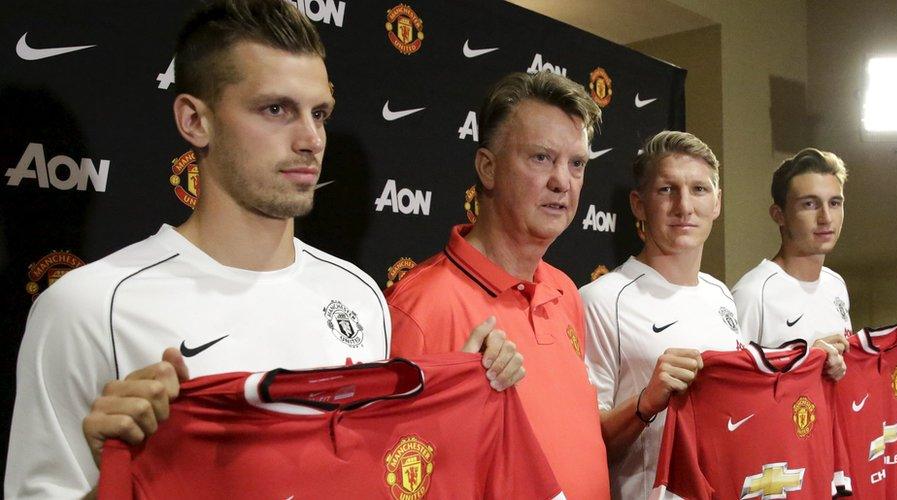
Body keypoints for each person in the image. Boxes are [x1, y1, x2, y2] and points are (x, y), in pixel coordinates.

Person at [4, 1, 520, 498]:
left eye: (319, 113)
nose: (311, 139)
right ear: (194, 121)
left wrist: (461, 388)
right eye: (276, 109)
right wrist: (113, 474)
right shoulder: (88, 309)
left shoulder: (360, 295)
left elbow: (375, 472)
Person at [384, 71, 610, 499]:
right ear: (487, 168)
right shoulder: (419, 309)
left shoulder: (565, 292)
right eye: (541, 158)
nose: (563, 181)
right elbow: (400, 480)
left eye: (576, 163)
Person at [579, 130, 744, 499]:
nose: (684, 206)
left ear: (717, 203)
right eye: (667, 190)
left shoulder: (721, 296)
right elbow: (583, 447)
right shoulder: (601, 301)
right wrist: (646, 402)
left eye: (699, 190)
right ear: (638, 204)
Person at [731, 148, 897, 361]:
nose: (825, 217)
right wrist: (808, 360)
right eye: (809, 204)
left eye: (834, 203)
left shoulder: (835, 285)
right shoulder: (752, 294)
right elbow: (734, 385)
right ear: (779, 215)